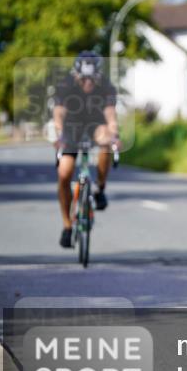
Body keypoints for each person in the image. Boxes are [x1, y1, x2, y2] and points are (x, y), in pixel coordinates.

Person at [53, 51, 120, 248]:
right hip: (71, 128)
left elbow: (110, 113)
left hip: (95, 125)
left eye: (92, 79)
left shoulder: (107, 87)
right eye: (84, 79)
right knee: (64, 173)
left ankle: (100, 188)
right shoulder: (66, 85)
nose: (88, 83)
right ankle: (67, 226)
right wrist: (59, 134)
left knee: (106, 142)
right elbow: (59, 111)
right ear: (76, 75)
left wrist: (114, 133)